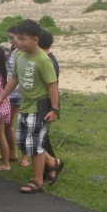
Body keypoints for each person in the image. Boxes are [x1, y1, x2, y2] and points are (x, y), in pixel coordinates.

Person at [0, 19, 64, 193]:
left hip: (40, 107)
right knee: (23, 144)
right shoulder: (19, 56)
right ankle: (53, 163)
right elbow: (15, 78)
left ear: (35, 40)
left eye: (23, 39)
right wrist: (2, 97)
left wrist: (55, 110)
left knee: (35, 145)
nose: (19, 42)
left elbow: (52, 85)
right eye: (19, 38)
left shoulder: (43, 60)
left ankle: (37, 182)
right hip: (25, 105)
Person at [38, 29, 60, 181]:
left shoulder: (47, 60)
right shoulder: (45, 58)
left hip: (45, 103)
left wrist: (54, 108)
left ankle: (53, 165)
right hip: (42, 102)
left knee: (41, 138)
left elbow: (52, 86)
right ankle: (50, 167)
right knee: (43, 138)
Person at [5, 26, 27, 167]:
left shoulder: (25, 53)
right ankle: (13, 153)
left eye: (13, 38)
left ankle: (22, 155)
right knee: (8, 124)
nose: (12, 41)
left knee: (19, 124)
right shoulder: (13, 52)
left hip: (18, 93)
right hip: (9, 91)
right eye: (10, 38)